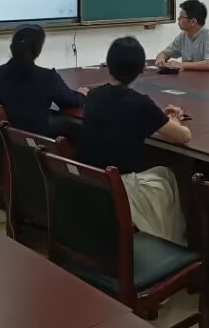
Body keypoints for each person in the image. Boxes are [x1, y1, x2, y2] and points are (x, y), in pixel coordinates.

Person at [80, 36, 192, 244]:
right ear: (141, 69)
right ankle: (172, 243)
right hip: (123, 188)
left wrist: (157, 118)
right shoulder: (141, 104)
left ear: (109, 65)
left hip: (93, 181)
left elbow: (120, 118)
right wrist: (174, 119)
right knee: (169, 175)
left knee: (163, 172)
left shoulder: (94, 95)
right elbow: (184, 136)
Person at [0, 24, 88, 139]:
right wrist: (83, 94)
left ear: (11, 47)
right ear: (38, 51)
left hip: (2, 141)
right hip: (39, 142)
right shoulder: (47, 77)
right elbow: (70, 100)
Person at [155, 0, 209, 72]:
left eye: (181, 17)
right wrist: (161, 58)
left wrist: (181, 65)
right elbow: (165, 53)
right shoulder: (183, 36)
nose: (178, 19)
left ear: (193, 22)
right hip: (193, 77)